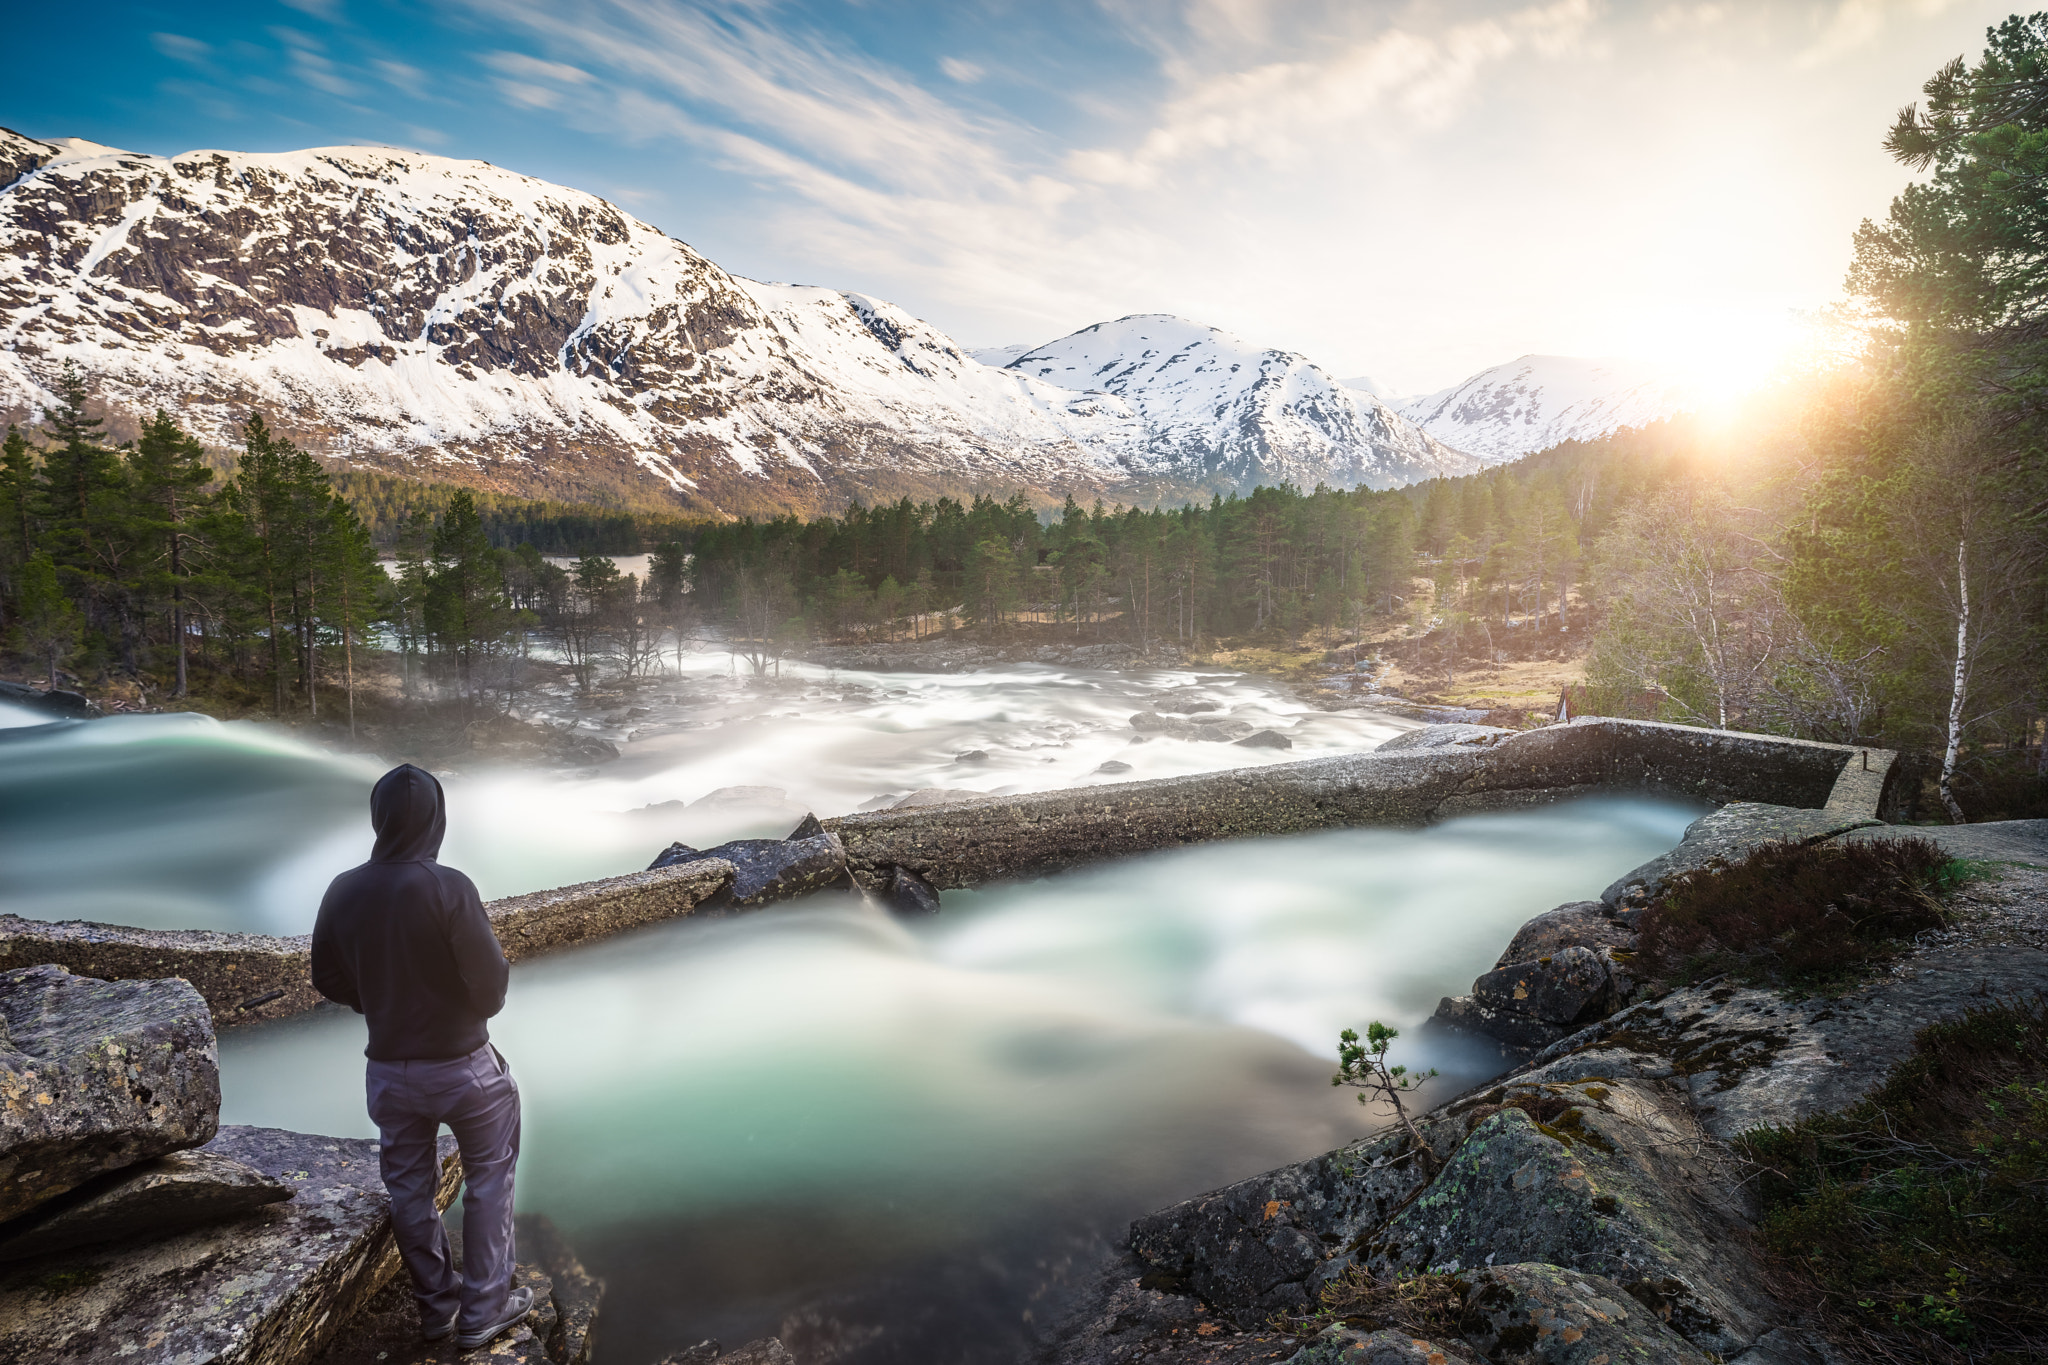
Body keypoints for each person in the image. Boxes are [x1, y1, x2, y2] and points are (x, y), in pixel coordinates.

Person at [311, 763, 532, 1350]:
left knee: (409, 1189)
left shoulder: (343, 888)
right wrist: (463, 1010)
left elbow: (325, 975)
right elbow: (490, 984)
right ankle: (486, 1308)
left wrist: (379, 1001)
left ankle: (437, 1309)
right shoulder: (447, 885)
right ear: (436, 818)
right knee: (490, 1179)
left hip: (387, 1070)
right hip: (463, 1067)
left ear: (379, 819)